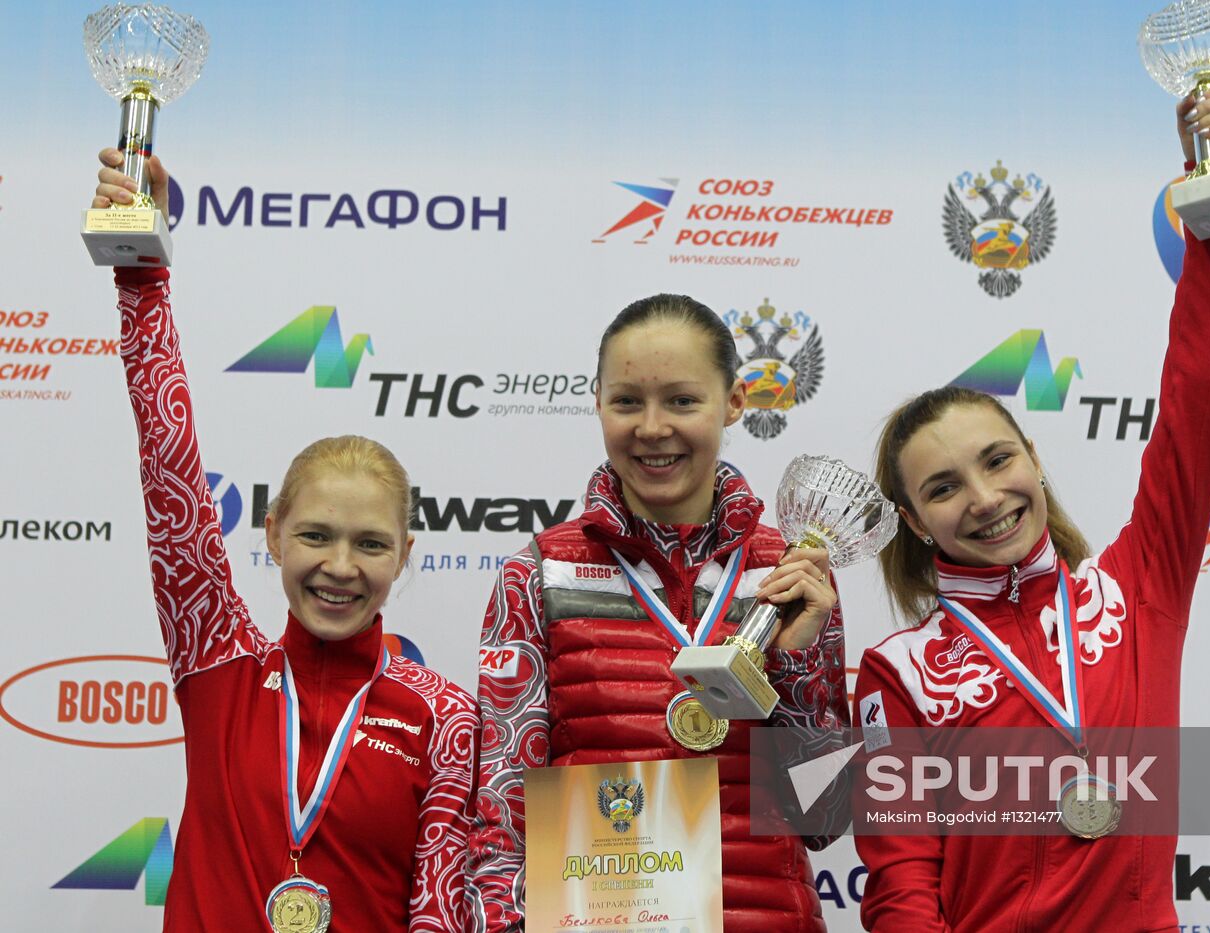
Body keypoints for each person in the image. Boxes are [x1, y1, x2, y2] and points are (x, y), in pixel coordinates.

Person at [852, 88, 1210, 932]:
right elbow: (901, 887)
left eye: (998, 460)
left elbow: (1198, 405)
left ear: (1035, 461)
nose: (986, 497)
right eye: (943, 488)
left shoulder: (1136, 590)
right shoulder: (900, 672)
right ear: (916, 522)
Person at [93, 148, 479, 932]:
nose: (339, 567)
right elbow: (167, 462)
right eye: (315, 535)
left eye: (370, 543)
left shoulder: (447, 715)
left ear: (406, 554)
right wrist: (142, 275)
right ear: (270, 533)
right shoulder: (217, 656)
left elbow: (440, 909)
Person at [469, 294, 850, 931]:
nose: (651, 428)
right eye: (626, 401)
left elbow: (827, 816)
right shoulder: (539, 573)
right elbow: (502, 812)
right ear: (596, 404)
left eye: (681, 400)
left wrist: (798, 660)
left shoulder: (790, 574)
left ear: (734, 402)